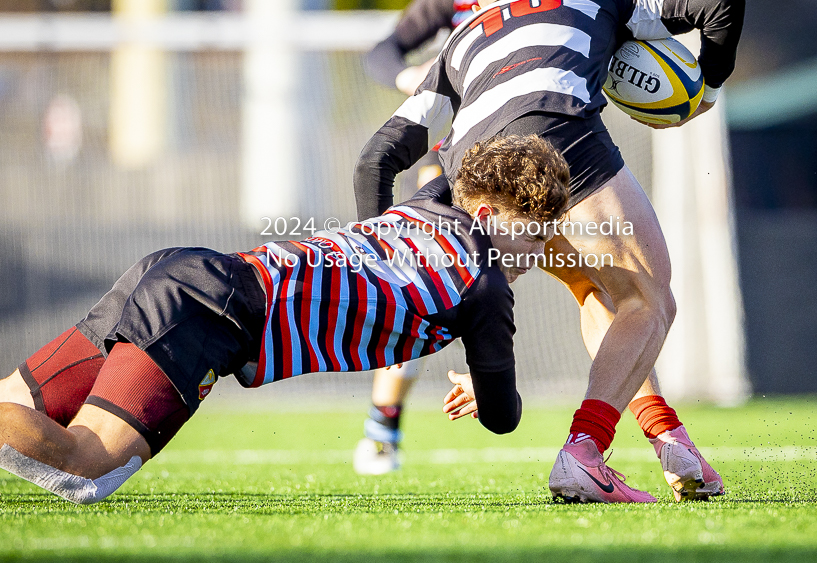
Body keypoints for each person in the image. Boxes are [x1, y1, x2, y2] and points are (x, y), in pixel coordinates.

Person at [354, 0, 745, 502]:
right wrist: (705, 87)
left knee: (597, 291)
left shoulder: (460, 43)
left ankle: (668, 439)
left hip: (471, 177)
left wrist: (374, 257)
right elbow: (721, 1)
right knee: (647, 299)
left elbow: (375, 158)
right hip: (559, 140)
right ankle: (583, 453)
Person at [0, 134, 569, 505]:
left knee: (17, 402)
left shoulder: (432, 202)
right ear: (489, 213)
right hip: (210, 312)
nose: (536, 257)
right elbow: (503, 420)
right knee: (86, 469)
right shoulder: (486, 284)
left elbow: (381, 156)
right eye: (533, 236)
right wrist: (491, 388)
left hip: (182, 272)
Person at [356, 0, 588, 478]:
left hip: (549, 166)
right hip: (458, 164)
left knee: (602, 277)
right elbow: (382, 51)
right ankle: (384, 423)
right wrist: (413, 75)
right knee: (430, 284)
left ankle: (609, 428)